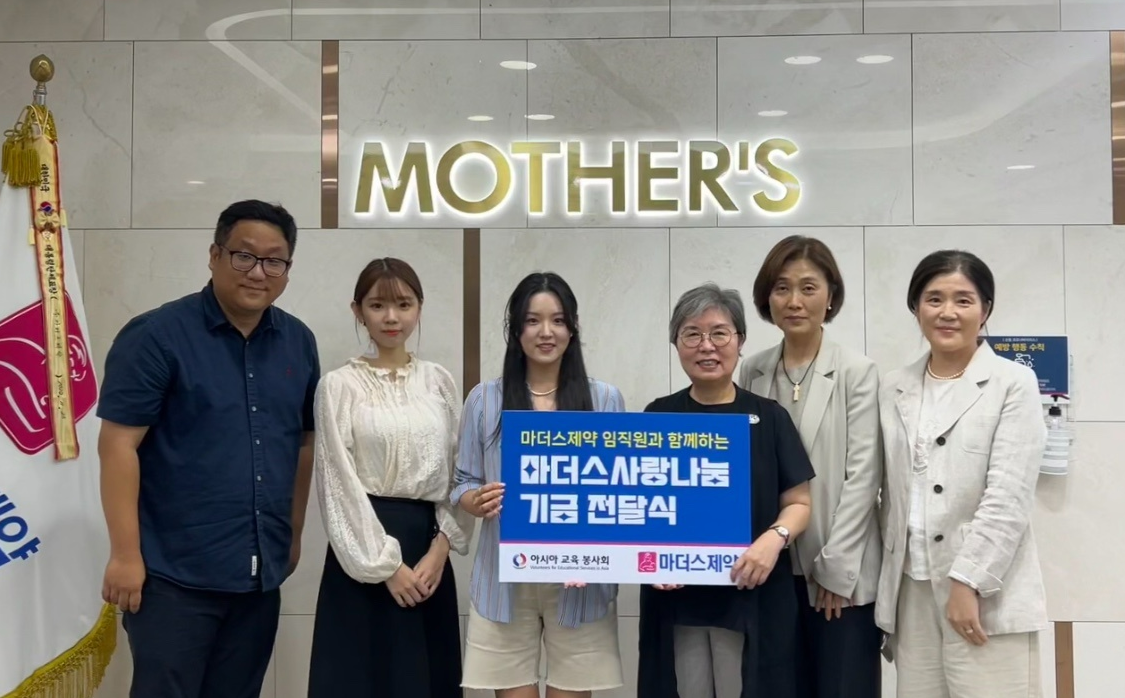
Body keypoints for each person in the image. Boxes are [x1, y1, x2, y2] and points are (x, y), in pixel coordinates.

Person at [97, 200, 320, 698]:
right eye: (244, 255)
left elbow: (303, 442)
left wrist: (294, 533)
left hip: (259, 577)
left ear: (287, 270)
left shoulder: (298, 342)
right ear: (215, 255)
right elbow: (117, 445)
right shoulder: (156, 336)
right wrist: (125, 555)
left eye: (274, 261)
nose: (258, 272)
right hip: (172, 577)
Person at [876, 250, 1048, 698]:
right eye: (934, 299)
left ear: (985, 309)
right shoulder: (893, 386)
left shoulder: (1013, 383)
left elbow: (1008, 496)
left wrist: (968, 581)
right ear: (915, 308)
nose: (947, 312)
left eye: (963, 300)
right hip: (911, 590)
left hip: (986, 591)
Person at [451, 272, 625, 698]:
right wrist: (476, 500)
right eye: (533, 321)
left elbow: (619, 491)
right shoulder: (485, 399)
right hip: (504, 582)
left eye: (558, 320)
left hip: (580, 582)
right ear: (516, 330)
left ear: (573, 328)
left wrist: (596, 550)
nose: (546, 332)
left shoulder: (605, 400)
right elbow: (462, 483)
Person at [638, 283, 814, 698]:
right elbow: (638, 507)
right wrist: (650, 560)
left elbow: (799, 503)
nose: (707, 346)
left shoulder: (769, 417)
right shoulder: (658, 415)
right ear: (676, 344)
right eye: (692, 334)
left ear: (740, 340)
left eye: (719, 333)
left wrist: (774, 539)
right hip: (677, 597)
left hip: (752, 590)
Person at [306, 257, 471, 697]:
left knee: (425, 678)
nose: (392, 317)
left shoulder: (438, 381)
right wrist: (386, 567)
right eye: (377, 305)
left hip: (428, 553)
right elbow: (336, 483)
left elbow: (460, 471)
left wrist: (441, 548)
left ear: (419, 308)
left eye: (404, 304)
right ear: (358, 310)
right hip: (361, 552)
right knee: (362, 679)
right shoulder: (338, 385)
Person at [738, 236, 883, 698]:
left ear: (831, 295)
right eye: (782, 288)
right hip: (772, 573)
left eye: (808, 287)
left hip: (838, 575)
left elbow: (864, 478)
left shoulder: (857, 371)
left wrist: (837, 569)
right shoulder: (753, 371)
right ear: (767, 298)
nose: (794, 301)